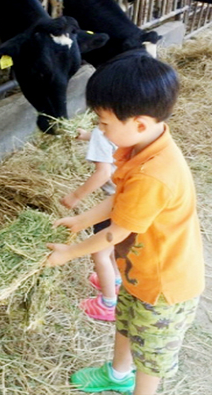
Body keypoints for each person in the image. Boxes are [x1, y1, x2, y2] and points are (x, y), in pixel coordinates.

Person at [46, 50, 205, 395]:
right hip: (138, 271)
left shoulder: (154, 174)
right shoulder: (143, 146)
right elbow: (122, 200)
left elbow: (115, 233)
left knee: (150, 357)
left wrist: (68, 253)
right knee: (125, 325)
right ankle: (118, 375)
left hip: (163, 286)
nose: (99, 130)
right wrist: (83, 218)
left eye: (103, 123)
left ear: (140, 123)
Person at [60, 127, 121, 322]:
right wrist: (87, 135)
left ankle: (108, 303)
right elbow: (103, 135)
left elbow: (102, 174)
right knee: (113, 247)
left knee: (100, 252)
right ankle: (116, 281)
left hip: (114, 203)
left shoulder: (103, 133)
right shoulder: (126, 126)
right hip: (124, 198)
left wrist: (75, 196)